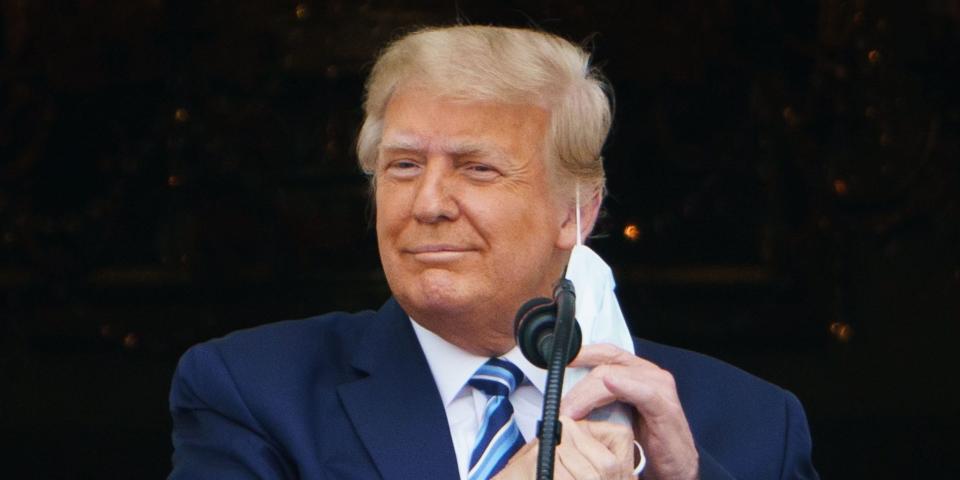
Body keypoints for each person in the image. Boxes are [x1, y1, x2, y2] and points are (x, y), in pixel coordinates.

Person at [168, 25, 819, 479]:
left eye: (476, 169)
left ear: (577, 212)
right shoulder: (253, 391)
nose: (427, 203)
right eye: (401, 166)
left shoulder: (752, 424)